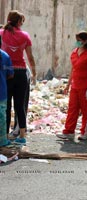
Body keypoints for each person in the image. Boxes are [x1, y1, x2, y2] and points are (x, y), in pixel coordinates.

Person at [0, 10, 36, 145]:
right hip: (21, 73)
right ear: (19, 22)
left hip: (6, 72)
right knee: (20, 105)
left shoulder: (2, 33)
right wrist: (34, 73)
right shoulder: (25, 36)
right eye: (22, 21)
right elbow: (30, 58)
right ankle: (22, 135)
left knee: (6, 105)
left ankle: (5, 136)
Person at [56, 31, 87, 140]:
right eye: (77, 40)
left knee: (86, 110)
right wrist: (68, 85)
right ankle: (69, 131)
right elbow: (73, 69)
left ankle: (85, 132)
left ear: (85, 41)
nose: (78, 42)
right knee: (72, 109)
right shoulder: (74, 52)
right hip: (75, 85)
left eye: (80, 40)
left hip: (86, 86)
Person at [0, 35, 14, 147]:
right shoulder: (5, 56)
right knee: (2, 118)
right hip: (2, 92)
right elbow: (10, 74)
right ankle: (2, 141)